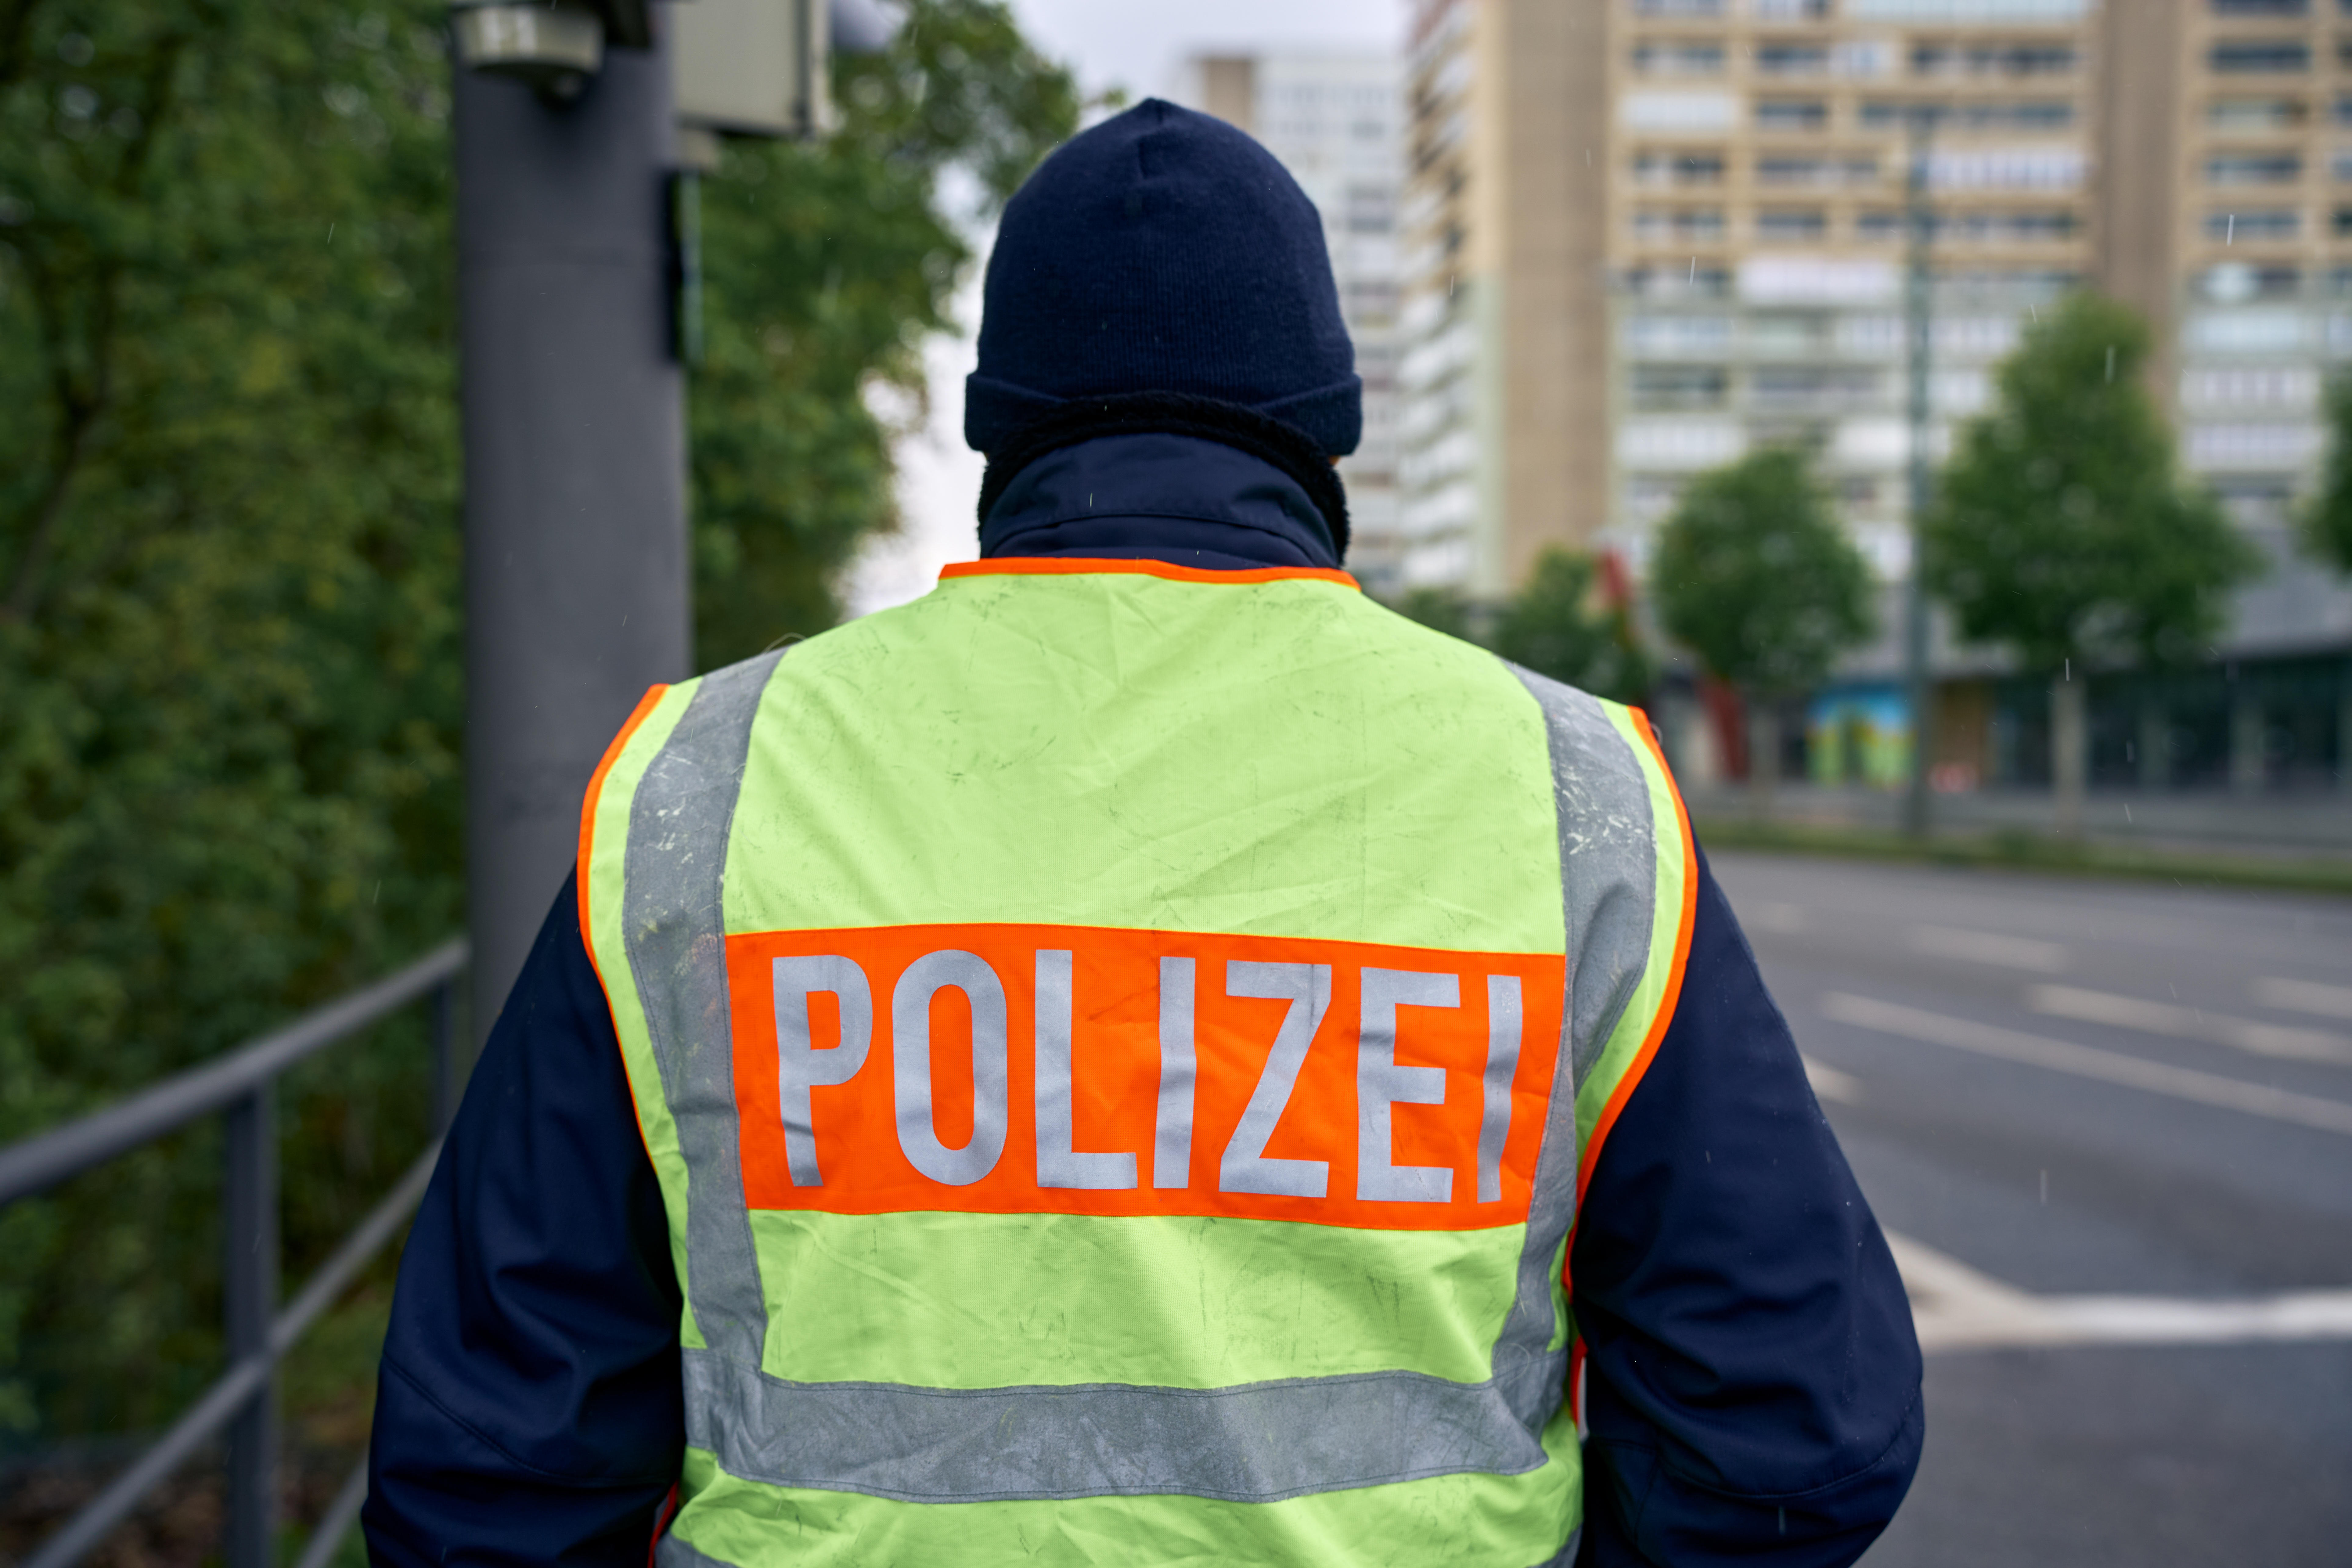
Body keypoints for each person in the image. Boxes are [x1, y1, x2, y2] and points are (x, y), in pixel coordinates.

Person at [364, 100, 1921, 1568]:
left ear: (999, 425)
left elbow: (492, 1453)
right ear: (1327, 422)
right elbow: (1789, 1426)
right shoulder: (1571, 792)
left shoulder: (707, 782)